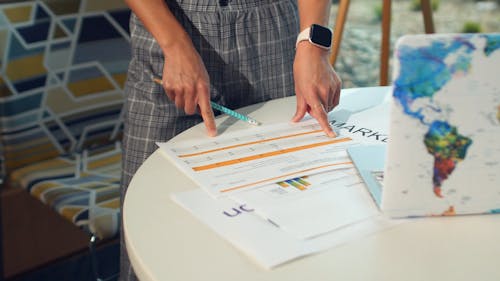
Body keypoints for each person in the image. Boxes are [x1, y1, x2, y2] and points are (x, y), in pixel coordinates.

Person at [120, 0, 341, 280]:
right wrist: (175, 45)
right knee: (151, 230)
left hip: (274, 38)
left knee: (278, 233)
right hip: (168, 33)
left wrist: (314, 46)